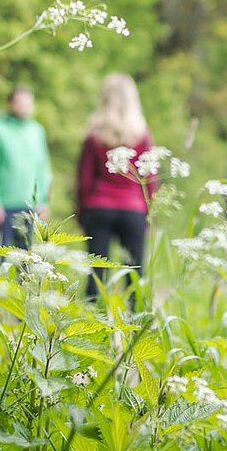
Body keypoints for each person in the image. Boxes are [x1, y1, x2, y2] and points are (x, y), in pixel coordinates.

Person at [75, 72, 156, 305]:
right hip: (134, 210)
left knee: (96, 273)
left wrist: (83, 215)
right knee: (135, 274)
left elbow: (84, 181)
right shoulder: (142, 134)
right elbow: (149, 179)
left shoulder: (95, 135)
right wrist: (149, 216)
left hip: (99, 208)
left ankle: (91, 326)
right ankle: (134, 329)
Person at [0, 86, 52, 311]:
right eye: (19, 102)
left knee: (29, 264)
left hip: (32, 206)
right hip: (5, 207)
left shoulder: (37, 130)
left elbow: (44, 168)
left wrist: (44, 201)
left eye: (28, 102)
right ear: (10, 104)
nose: (24, 107)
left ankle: (24, 314)